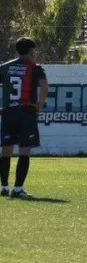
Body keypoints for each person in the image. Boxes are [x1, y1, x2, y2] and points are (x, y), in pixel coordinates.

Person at [0, 37, 49, 198]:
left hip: (8, 112)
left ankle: (5, 187)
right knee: (24, 151)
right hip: (26, 112)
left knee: (6, 151)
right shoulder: (35, 68)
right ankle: (18, 189)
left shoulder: (5, 67)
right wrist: (39, 106)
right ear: (30, 51)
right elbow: (44, 88)